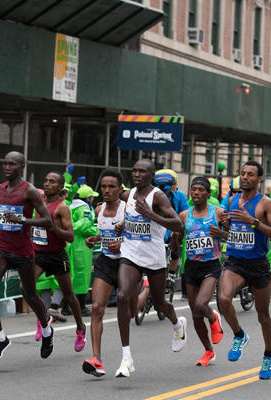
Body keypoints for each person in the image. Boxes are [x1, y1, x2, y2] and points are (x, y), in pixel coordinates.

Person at [113, 159, 187, 378]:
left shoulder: (158, 196)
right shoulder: (128, 195)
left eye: (142, 171)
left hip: (154, 258)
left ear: (151, 175)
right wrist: (122, 226)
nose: (136, 174)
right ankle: (126, 357)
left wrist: (151, 214)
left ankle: (177, 324)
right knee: (122, 296)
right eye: (134, 170)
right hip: (130, 254)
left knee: (160, 304)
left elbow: (178, 224)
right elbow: (131, 218)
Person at [212, 160, 271, 380]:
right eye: (242, 173)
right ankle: (239, 335)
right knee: (223, 299)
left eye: (250, 174)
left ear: (259, 179)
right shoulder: (232, 200)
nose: (245, 177)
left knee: (263, 316)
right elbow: (234, 230)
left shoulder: (267, 204)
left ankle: (268, 354)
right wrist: (225, 225)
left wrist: (253, 222)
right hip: (235, 261)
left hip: (258, 264)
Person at [0, 151, 54, 362]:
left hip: (22, 250)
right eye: (4, 163)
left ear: (22, 166)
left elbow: (48, 221)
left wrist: (23, 220)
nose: (6, 167)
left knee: (30, 296)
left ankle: (47, 331)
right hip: (0, 247)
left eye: (11, 164)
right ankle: (0, 338)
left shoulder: (29, 191)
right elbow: (3, 214)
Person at [29, 171, 86, 350]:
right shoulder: (39, 204)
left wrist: (52, 227)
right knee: (25, 287)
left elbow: (70, 236)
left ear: (60, 187)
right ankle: (44, 320)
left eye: (52, 182)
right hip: (39, 254)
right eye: (45, 180)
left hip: (56, 255)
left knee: (68, 295)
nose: (47, 184)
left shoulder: (62, 208)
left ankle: (80, 328)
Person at [82, 169, 125, 377]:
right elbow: (104, 230)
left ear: (120, 189)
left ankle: (147, 292)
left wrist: (122, 243)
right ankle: (96, 359)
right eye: (104, 187)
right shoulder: (98, 210)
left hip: (128, 263)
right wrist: (96, 239)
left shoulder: (128, 210)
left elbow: (141, 236)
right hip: (106, 262)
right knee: (98, 307)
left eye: (111, 187)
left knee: (130, 311)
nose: (106, 190)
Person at [179, 177, 226, 366]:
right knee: (195, 313)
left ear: (208, 194)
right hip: (191, 265)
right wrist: (175, 237)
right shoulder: (184, 215)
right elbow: (178, 239)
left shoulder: (219, 213)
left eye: (200, 190)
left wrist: (221, 234)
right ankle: (208, 351)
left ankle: (214, 317)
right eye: (193, 189)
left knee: (200, 304)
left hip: (211, 264)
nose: (196, 193)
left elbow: (231, 236)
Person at [67, 184, 99, 317]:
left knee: (73, 275)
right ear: (89, 198)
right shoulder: (84, 208)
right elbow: (84, 227)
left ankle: (68, 306)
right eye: (92, 197)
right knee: (82, 275)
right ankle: (80, 307)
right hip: (82, 246)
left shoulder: (71, 206)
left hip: (72, 244)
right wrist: (98, 231)